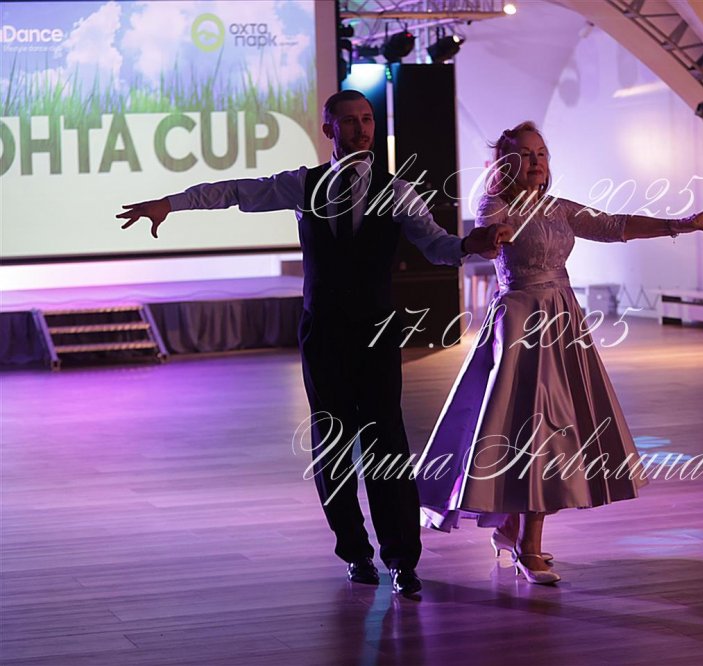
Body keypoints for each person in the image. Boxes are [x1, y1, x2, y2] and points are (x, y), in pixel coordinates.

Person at [118, 90, 512, 596]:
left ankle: (401, 560)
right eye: (349, 121)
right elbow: (235, 191)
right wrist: (172, 203)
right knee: (333, 443)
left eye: (367, 119)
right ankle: (355, 552)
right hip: (323, 330)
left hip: (376, 332)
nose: (361, 129)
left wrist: (469, 245)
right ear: (329, 130)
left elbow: (437, 244)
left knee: (387, 442)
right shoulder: (302, 184)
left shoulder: (397, 190)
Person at [414, 121, 703, 584]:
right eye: (524, 154)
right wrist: (494, 235)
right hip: (521, 325)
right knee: (530, 431)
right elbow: (488, 232)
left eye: (541, 153)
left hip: (562, 322)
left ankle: (515, 532)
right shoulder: (495, 204)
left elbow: (614, 225)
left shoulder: (558, 208)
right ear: (506, 163)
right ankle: (526, 545)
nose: (536, 161)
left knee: (556, 432)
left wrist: (681, 224)